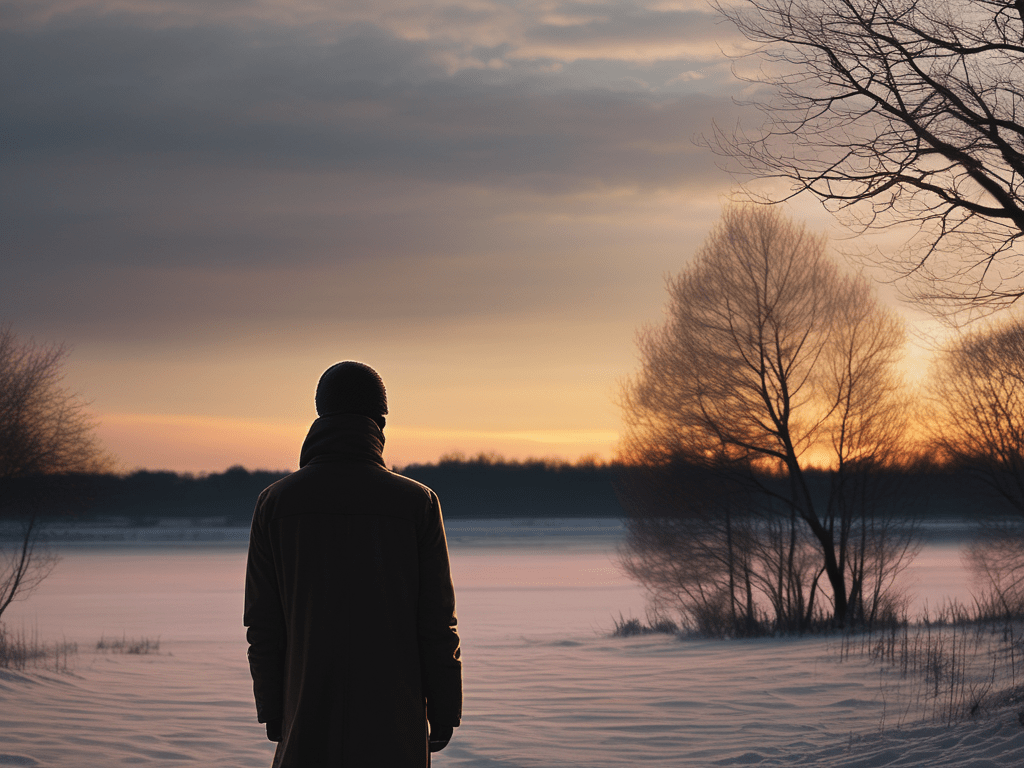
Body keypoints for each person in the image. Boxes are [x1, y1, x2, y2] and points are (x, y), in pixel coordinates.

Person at [244, 361, 462, 767]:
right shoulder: (417, 504)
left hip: (306, 716)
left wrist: (273, 708)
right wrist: (445, 709)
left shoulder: (276, 504)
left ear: (321, 416)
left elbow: (263, 622)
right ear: (380, 420)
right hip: (394, 721)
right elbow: (436, 622)